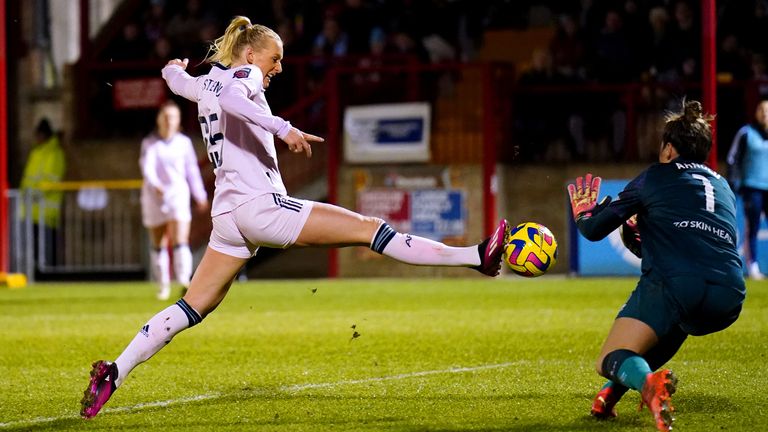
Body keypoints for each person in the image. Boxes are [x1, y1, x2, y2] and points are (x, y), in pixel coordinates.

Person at [80, 16, 509, 419]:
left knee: (193, 306)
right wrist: (283, 128)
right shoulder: (241, 76)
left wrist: (172, 70)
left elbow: (179, 83)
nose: (279, 67)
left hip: (228, 215)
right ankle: (477, 256)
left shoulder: (205, 82)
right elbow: (233, 96)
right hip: (260, 206)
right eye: (274, 58)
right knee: (370, 230)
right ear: (250, 55)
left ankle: (114, 372)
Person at [568, 100, 745, 432]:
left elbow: (594, 229)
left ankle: (649, 387)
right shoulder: (723, 187)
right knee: (668, 324)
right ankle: (608, 397)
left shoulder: (655, 176)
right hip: (730, 294)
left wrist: (582, 211)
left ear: (668, 149)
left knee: (610, 357)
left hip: (679, 283)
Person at [140, 101, 208, 301]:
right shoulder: (150, 144)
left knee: (180, 240)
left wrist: (200, 195)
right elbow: (148, 168)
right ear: (159, 119)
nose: (169, 121)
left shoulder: (183, 143)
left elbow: (191, 171)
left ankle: (185, 281)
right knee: (158, 242)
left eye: (173, 117)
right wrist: (155, 185)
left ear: (178, 120)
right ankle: (163, 284)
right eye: (166, 117)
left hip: (177, 194)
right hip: (155, 198)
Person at [726, 99, 768, 279]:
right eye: (762, 110)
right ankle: (753, 266)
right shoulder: (746, 133)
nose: (765, 114)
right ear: (756, 112)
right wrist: (733, 182)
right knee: (753, 226)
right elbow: (732, 159)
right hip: (752, 186)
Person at [20, 118, 66, 270]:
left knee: (47, 246)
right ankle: (35, 271)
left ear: (44, 135)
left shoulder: (54, 153)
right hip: (30, 210)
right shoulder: (37, 152)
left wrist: (35, 194)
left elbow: (52, 179)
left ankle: (49, 273)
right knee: (34, 247)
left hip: (46, 211)